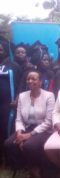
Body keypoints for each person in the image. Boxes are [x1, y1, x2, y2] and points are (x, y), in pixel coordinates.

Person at [4, 70, 55, 178]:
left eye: (34, 79)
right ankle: (26, 166)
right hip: (26, 127)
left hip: (43, 129)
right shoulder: (22, 96)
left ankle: (35, 168)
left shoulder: (49, 96)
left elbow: (48, 122)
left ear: (40, 82)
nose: (30, 81)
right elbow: (19, 119)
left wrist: (29, 135)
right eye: (28, 79)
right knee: (9, 143)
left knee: (29, 145)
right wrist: (19, 134)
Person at [0, 36, 20, 166]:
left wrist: (18, 97)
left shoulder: (14, 66)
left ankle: (10, 160)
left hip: (8, 106)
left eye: (1, 49)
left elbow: (20, 84)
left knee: (7, 131)